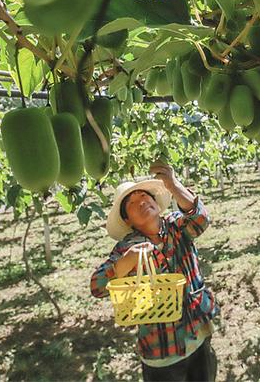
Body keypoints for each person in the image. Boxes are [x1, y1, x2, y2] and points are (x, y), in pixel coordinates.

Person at [90, 160, 219, 381]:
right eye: (132, 202)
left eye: (144, 196)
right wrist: (126, 262)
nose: (141, 202)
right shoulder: (126, 247)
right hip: (162, 352)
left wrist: (173, 184)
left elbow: (200, 219)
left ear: (156, 203)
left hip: (198, 335)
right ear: (127, 219)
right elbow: (97, 287)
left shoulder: (177, 226)